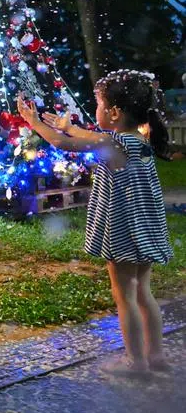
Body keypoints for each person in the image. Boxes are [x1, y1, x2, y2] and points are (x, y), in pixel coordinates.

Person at [17, 69, 172, 377]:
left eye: (99, 105)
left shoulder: (114, 144)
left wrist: (34, 123)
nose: (96, 109)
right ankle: (156, 356)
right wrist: (70, 125)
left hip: (124, 231)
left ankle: (135, 362)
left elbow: (63, 144)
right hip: (144, 229)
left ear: (113, 113)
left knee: (124, 295)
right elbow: (89, 135)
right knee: (143, 291)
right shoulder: (138, 140)